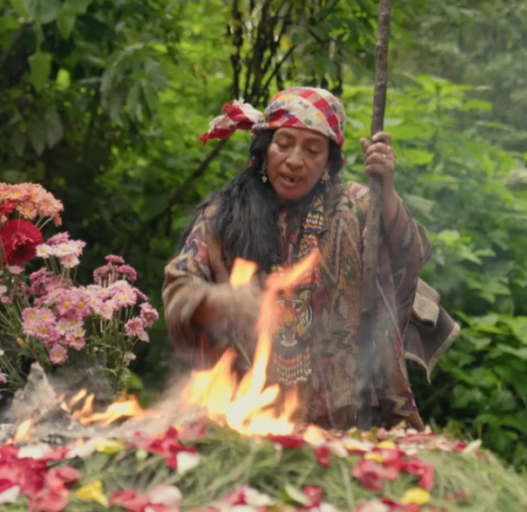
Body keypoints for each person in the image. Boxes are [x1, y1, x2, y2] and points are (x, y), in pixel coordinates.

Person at [163, 87, 431, 430]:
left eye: (312, 150)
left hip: (350, 418)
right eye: (284, 144)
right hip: (248, 416)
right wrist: (220, 300)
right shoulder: (223, 216)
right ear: (264, 150)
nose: (294, 160)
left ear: (329, 163)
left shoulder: (357, 207)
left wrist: (387, 190)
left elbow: (410, 255)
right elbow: (179, 285)